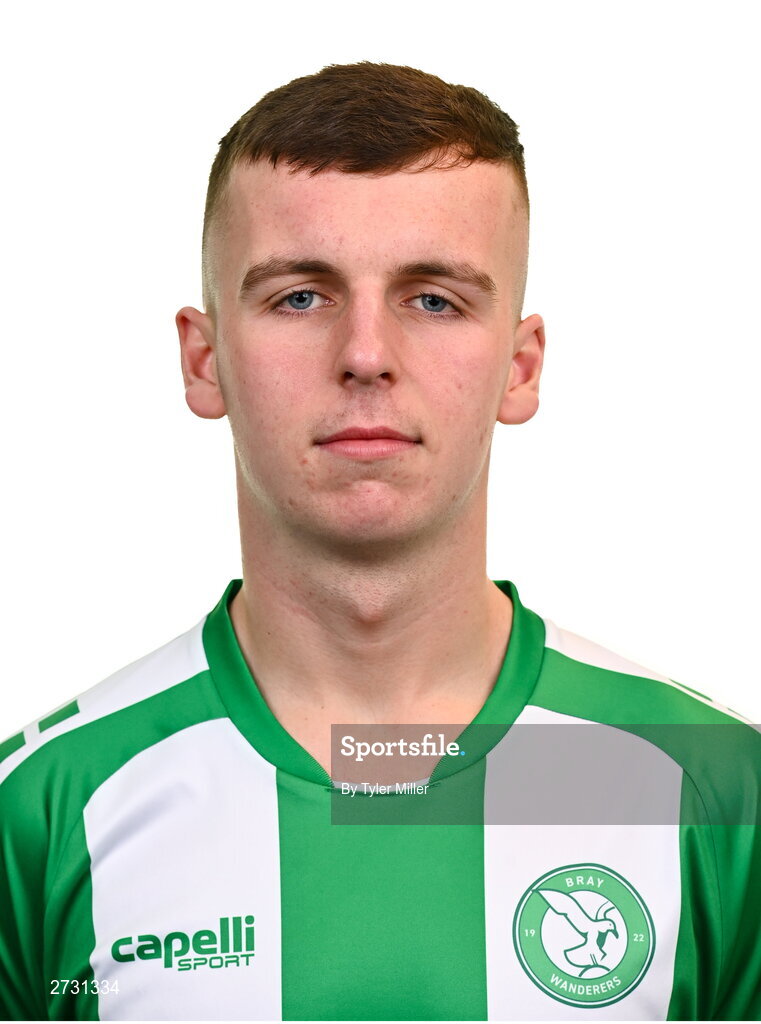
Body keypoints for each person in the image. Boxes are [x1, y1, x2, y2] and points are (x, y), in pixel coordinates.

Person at [0, 61, 758, 1023]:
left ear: (519, 368)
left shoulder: (715, 788)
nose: (365, 354)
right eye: (300, 297)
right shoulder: (43, 812)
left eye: (433, 298)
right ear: (204, 360)